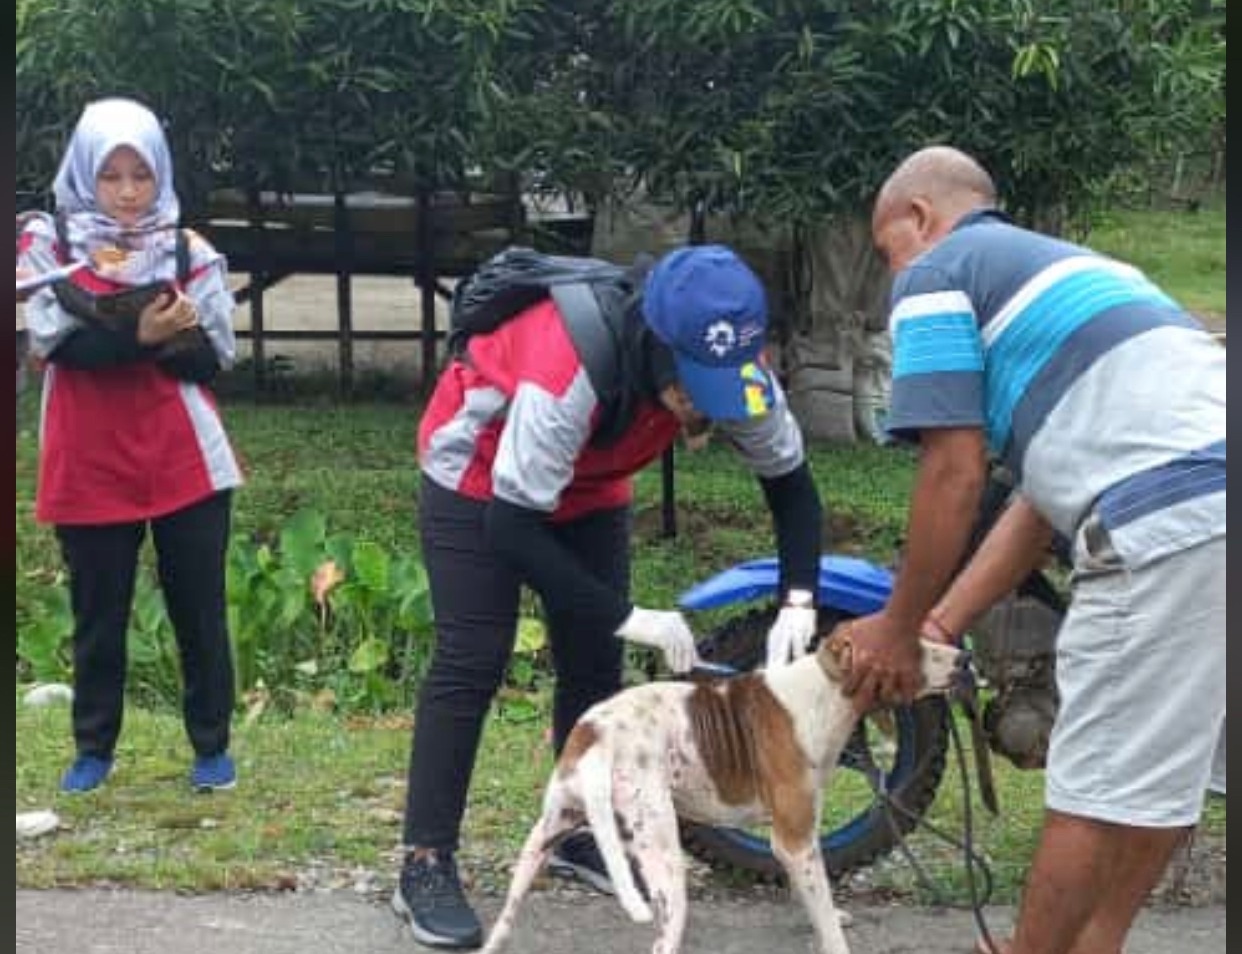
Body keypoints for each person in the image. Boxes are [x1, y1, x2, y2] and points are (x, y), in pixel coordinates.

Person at [842, 146, 1225, 954]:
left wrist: (893, 626)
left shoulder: (939, 269)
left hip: (1169, 519)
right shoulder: (1101, 275)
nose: (891, 277)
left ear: (919, 217)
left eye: (885, 252)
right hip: (1210, 501)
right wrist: (938, 626)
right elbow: (1035, 506)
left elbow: (953, 469)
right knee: (1163, 769)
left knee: (1091, 786)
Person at [394, 244, 825, 949]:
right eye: (693, 388)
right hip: (477, 476)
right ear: (656, 349)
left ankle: (579, 838)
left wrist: (799, 599)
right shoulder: (570, 365)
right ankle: (424, 863)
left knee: (594, 662)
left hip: (590, 483)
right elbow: (511, 528)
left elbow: (791, 485)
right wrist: (631, 615)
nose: (703, 410)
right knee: (474, 655)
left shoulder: (734, 374)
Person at [17, 97, 244, 794]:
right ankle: (93, 751)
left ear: (161, 176)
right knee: (98, 616)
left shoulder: (188, 250)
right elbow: (57, 346)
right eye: (110, 175)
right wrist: (136, 336)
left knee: (199, 610)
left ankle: (211, 748)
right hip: (87, 456)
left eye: (139, 176)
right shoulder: (46, 248)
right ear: (85, 172)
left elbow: (214, 362)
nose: (124, 192)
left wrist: (176, 336)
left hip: (184, 457)